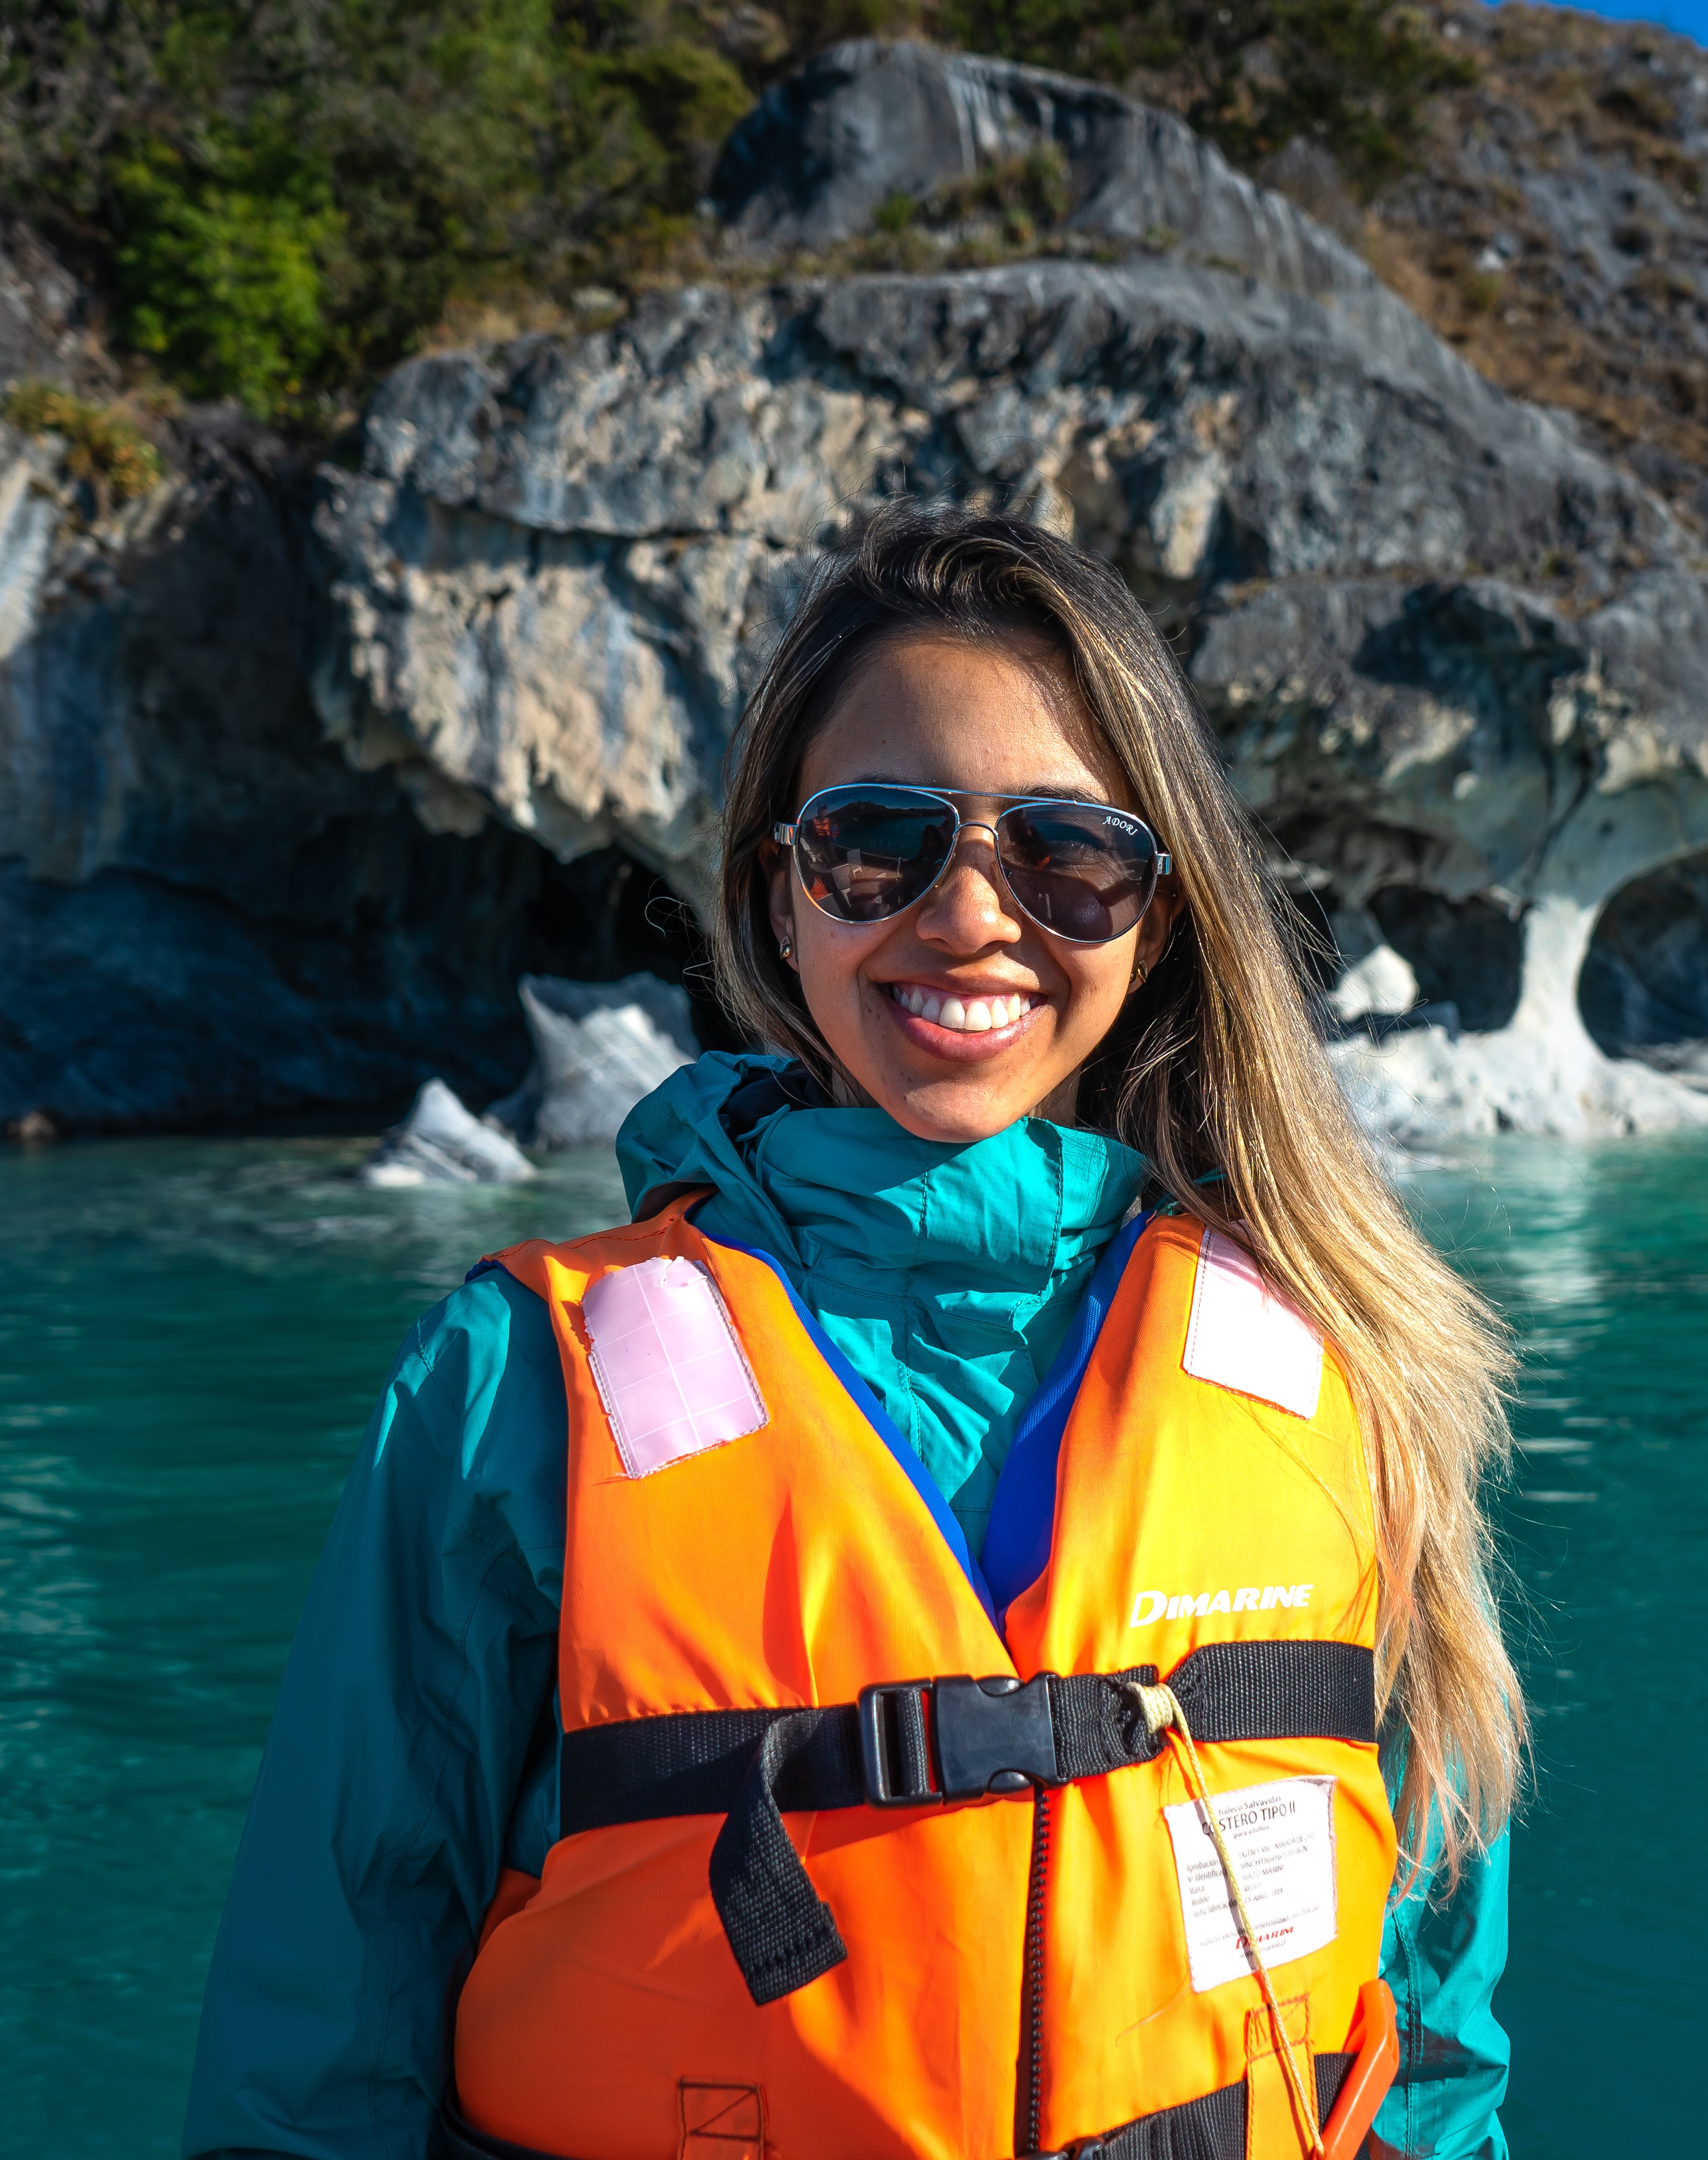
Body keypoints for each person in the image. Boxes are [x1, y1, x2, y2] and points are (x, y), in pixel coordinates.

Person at [182, 504, 1523, 2160]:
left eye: (1070, 852)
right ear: (781, 890)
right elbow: (324, 2028)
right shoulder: (516, 1385)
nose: (970, 916)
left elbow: (1435, 2031)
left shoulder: (1342, 1367)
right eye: (880, 842)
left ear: (1158, 918)